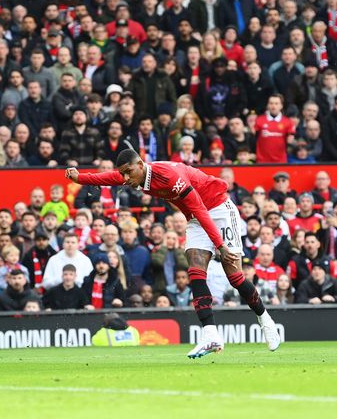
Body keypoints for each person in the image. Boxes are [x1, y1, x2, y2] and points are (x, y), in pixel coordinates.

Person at [66, 148, 281, 358]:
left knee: (234, 277)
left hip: (218, 209)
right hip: (196, 219)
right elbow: (111, 177)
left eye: (128, 172)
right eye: (123, 173)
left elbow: (199, 208)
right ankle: (211, 334)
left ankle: (266, 320)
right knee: (195, 270)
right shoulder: (136, 175)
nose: (125, 177)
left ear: (140, 165)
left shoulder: (169, 177)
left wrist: (220, 246)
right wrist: (80, 178)